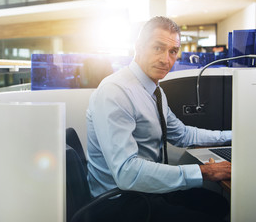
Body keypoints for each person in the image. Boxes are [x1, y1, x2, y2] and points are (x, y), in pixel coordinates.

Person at [86, 16, 231, 222]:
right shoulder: (115, 92)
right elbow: (127, 173)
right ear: (138, 47)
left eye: (172, 51)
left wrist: (235, 135)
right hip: (118, 203)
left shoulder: (155, 91)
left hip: (145, 191)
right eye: (157, 48)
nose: (166, 59)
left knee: (218, 204)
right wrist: (204, 172)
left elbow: (182, 134)